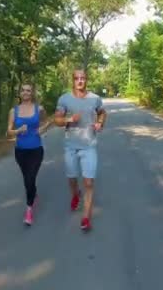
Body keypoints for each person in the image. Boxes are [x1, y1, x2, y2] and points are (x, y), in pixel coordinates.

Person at [54, 69, 107, 231]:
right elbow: (57, 120)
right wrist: (69, 119)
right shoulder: (64, 99)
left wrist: (100, 123)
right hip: (71, 146)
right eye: (76, 78)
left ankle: (85, 217)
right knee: (72, 179)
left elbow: (103, 112)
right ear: (73, 80)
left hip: (89, 146)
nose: (80, 81)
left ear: (86, 80)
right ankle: (75, 194)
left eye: (82, 78)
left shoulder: (95, 98)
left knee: (88, 182)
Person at [7, 83, 49, 226]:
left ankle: (29, 210)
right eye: (23, 90)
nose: (26, 93)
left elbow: (47, 122)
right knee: (27, 179)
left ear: (32, 93)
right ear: (20, 93)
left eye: (28, 90)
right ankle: (33, 193)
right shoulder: (14, 111)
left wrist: (42, 129)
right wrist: (17, 131)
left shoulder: (40, 109)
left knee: (30, 178)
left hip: (36, 149)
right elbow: (8, 132)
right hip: (20, 151)